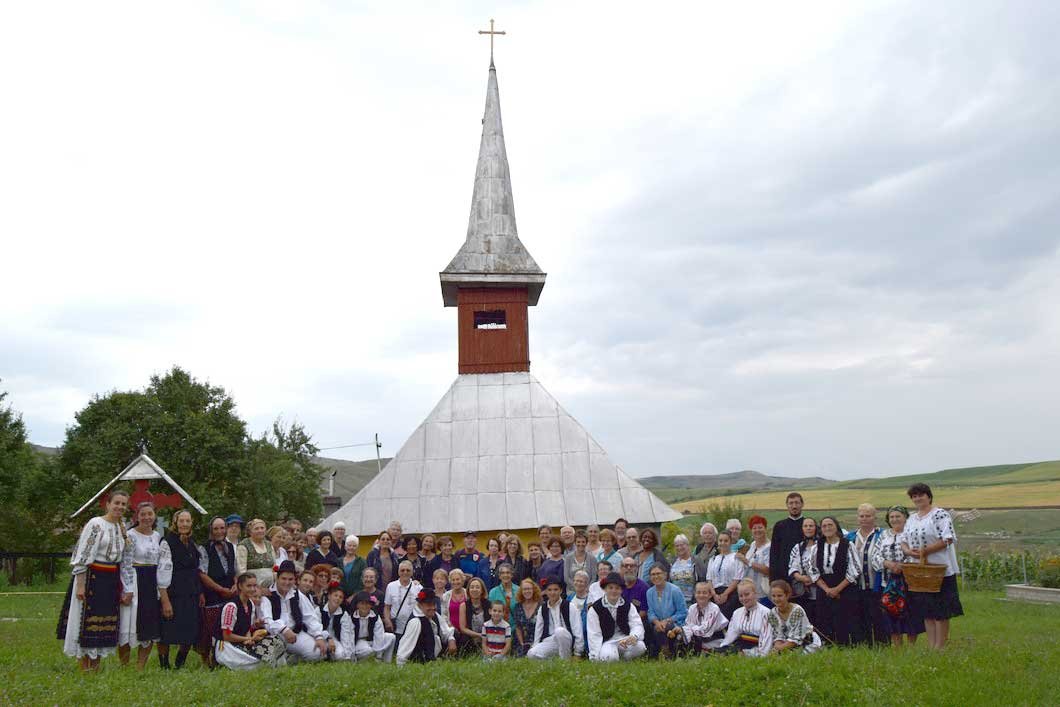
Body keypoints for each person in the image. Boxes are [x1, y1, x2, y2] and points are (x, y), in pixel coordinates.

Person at [58, 489, 129, 671]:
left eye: (123, 504)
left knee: (103, 624)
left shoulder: (121, 527)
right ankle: (85, 668)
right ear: (108, 504)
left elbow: (123, 559)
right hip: (92, 578)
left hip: (111, 580)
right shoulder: (96, 524)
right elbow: (83, 555)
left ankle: (95, 667)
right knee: (86, 623)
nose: (120, 507)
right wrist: (80, 585)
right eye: (117, 503)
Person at [902, 482, 963, 650]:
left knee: (941, 611)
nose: (918, 498)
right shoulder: (912, 518)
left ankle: (940, 646)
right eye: (914, 496)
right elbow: (903, 541)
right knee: (926, 611)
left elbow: (947, 538)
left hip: (939, 570)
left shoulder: (940, 514)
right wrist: (909, 552)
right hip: (919, 571)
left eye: (921, 495)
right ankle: (931, 646)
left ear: (928, 496)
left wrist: (925, 551)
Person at [118, 500, 161, 669]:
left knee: (149, 623)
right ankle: (124, 665)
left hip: (152, 581)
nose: (146, 517)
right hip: (135, 580)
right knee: (129, 623)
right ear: (137, 516)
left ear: (154, 515)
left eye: (150, 514)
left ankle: (140, 666)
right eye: (143, 514)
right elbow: (125, 562)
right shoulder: (130, 535)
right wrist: (127, 589)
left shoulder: (157, 536)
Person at [872, 505, 924, 646]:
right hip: (888, 581)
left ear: (905, 518)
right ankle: (897, 647)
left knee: (910, 615)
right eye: (892, 517)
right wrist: (887, 563)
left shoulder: (911, 533)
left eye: (898, 516)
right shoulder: (884, 535)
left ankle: (911, 648)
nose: (894, 519)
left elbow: (916, 553)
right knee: (891, 614)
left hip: (909, 581)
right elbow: (875, 555)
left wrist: (903, 566)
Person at [214, 573, 287, 670]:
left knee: (276, 640)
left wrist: (252, 633)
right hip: (228, 647)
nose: (252, 589)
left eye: (254, 586)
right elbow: (226, 635)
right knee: (262, 661)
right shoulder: (231, 607)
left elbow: (247, 628)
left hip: (242, 642)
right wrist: (248, 638)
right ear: (240, 586)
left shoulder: (250, 604)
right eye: (249, 586)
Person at [810, 516, 859, 646]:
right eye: (824, 526)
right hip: (824, 588)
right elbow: (813, 571)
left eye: (830, 525)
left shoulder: (848, 545)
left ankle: (846, 648)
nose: (827, 528)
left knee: (844, 620)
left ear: (836, 526)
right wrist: (827, 589)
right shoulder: (816, 547)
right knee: (825, 620)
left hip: (844, 588)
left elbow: (855, 570)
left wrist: (837, 589)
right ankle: (827, 646)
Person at [261, 561, 324, 663]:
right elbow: (266, 621)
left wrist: (318, 636)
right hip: (275, 635)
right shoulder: (268, 595)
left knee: (317, 652)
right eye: (284, 579)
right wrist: (283, 629)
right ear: (277, 578)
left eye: (290, 579)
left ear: (295, 580)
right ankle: (286, 656)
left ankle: (290, 657)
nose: (287, 582)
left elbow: (310, 617)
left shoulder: (297, 595)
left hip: (295, 634)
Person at [198, 515, 238, 668]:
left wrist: (235, 585)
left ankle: (222, 657)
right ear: (211, 530)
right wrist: (220, 589)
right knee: (209, 628)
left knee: (226, 626)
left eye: (222, 528)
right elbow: (202, 573)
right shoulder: (204, 548)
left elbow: (233, 570)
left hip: (229, 592)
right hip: (212, 593)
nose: (220, 531)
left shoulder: (230, 547)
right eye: (216, 528)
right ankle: (206, 660)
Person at [845, 503, 885, 645]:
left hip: (876, 584)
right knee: (860, 616)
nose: (864, 519)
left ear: (874, 517)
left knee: (878, 616)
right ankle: (864, 644)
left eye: (868, 516)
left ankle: (881, 644)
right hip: (856, 585)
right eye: (862, 516)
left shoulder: (882, 535)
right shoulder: (850, 537)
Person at [586, 572, 646, 662]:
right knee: (610, 658)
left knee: (641, 647)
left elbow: (637, 624)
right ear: (605, 589)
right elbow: (594, 634)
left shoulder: (628, 605)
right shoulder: (595, 608)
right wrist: (595, 657)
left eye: (617, 588)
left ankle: (625, 659)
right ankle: (612, 656)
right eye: (610, 588)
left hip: (624, 640)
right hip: (607, 642)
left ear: (621, 590)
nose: (614, 591)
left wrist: (634, 636)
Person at [395, 587, 457, 665]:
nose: (433, 608)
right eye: (429, 605)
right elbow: (405, 647)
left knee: (457, 634)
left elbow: (446, 631)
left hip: (433, 659)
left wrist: (451, 640)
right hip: (419, 663)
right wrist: (400, 666)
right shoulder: (415, 622)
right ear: (420, 605)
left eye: (434, 604)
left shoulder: (435, 615)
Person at [669, 581, 728, 656]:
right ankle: (675, 657)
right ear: (695, 594)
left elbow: (705, 630)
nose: (701, 595)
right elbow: (688, 624)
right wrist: (682, 629)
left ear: (710, 595)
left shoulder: (714, 609)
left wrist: (685, 629)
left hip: (714, 638)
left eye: (704, 593)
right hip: (698, 637)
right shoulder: (692, 608)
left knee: (685, 634)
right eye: (698, 592)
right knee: (675, 632)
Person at [718, 580, 772, 657]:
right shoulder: (737, 612)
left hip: (757, 647)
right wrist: (723, 648)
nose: (744, 598)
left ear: (755, 593)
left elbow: (767, 639)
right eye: (741, 596)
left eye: (747, 594)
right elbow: (731, 635)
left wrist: (762, 655)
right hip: (739, 646)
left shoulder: (766, 613)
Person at [645, 564, 687, 658]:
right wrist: (657, 622)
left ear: (665, 575)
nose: (656, 576)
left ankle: (667, 653)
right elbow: (650, 612)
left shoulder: (675, 590)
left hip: (675, 622)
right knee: (655, 627)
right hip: (658, 623)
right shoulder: (649, 592)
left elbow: (683, 612)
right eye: (653, 574)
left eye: (658, 573)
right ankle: (656, 653)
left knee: (664, 627)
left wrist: (667, 620)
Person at [767, 580, 821, 654]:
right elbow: (777, 636)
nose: (776, 599)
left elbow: (795, 640)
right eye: (773, 596)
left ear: (787, 595)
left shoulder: (797, 611)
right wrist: (777, 648)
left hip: (807, 643)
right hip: (786, 645)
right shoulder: (772, 613)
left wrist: (778, 649)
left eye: (779, 596)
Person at [528, 577, 574, 659]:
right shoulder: (543, 608)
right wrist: (535, 645)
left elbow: (577, 629)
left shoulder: (569, 605)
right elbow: (539, 629)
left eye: (555, 590)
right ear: (545, 591)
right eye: (549, 590)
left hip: (566, 639)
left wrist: (578, 652)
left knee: (559, 631)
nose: (552, 593)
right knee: (531, 654)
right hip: (550, 640)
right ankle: (551, 660)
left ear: (561, 591)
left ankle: (565, 660)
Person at [346, 591, 396, 662]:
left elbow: (379, 636)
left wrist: (378, 656)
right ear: (357, 605)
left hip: (372, 639)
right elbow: (350, 637)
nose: (365, 606)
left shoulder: (375, 617)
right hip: (359, 641)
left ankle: (386, 661)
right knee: (368, 651)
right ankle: (361, 660)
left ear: (371, 605)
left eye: (367, 604)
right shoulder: (352, 618)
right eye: (362, 604)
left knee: (391, 637)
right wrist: (351, 655)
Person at [788, 516, 819, 626]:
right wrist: (801, 578)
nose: (808, 528)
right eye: (805, 526)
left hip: (820, 588)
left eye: (811, 526)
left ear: (816, 528)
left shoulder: (822, 545)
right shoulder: (798, 547)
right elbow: (792, 566)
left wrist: (814, 579)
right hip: (803, 591)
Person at [707, 530, 745, 619]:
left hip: (731, 594)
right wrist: (714, 594)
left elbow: (737, 578)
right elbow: (709, 579)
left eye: (726, 541)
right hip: (715, 594)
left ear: (731, 542)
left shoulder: (736, 558)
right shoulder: (713, 559)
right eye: (720, 540)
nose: (723, 543)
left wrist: (725, 594)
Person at [770, 492, 806, 582]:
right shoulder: (779, 526)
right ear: (787, 505)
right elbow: (774, 553)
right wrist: (773, 579)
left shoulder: (808, 525)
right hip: (783, 576)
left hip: (805, 576)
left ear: (802, 504)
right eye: (791, 503)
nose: (794, 506)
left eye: (797, 503)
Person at [384, 560, 421, 642]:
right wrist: (387, 620)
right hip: (396, 628)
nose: (405, 572)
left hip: (412, 628)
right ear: (398, 572)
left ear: (412, 572)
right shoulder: (391, 586)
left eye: (408, 570)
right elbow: (387, 607)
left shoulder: (418, 588)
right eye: (402, 570)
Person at [739, 516, 771, 606]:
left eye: (760, 527)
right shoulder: (752, 545)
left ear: (765, 528)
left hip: (763, 593)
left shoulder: (770, 547)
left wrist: (747, 562)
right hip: (749, 593)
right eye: (754, 528)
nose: (757, 530)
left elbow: (768, 570)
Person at [235, 519, 276, 591]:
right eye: (256, 529)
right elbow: (241, 571)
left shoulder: (269, 544)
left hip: (270, 588)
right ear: (250, 532)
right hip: (252, 588)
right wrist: (256, 588)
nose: (260, 530)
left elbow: (274, 567)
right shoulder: (244, 545)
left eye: (262, 528)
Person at [668, 534, 707, 605]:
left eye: (682, 545)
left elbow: (703, 580)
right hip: (676, 602)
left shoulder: (696, 561)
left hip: (692, 601)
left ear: (687, 545)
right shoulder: (672, 562)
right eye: (677, 545)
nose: (679, 547)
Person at [319, 583, 354, 660]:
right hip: (320, 637)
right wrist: (328, 637)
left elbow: (345, 635)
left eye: (340, 597)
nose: (337, 598)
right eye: (335, 595)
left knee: (340, 655)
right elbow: (316, 628)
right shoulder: (319, 610)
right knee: (316, 654)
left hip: (335, 640)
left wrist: (347, 656)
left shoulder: (343, 614)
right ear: (329, 596)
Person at [459, 577, 491, 656]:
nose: (474, 589)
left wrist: (484, 635)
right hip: (471, 636)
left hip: (487, 635)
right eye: (472, 587)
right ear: (468, 590)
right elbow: (463, 628)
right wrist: (478, 635)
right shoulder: (463, 605)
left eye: (477, 587)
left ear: (482, 590)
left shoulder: (489, 604)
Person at [511, 578, 541, 657]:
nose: (527, 591)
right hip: (521, 641)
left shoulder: (541, 605)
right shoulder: (517, 607)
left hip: (537, 641)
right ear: (521, 591)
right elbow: (518, 627)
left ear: (534, 590)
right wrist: (522, 644)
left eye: (529, 589)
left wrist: (535, 644)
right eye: (524, 589)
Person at [619, 556, 649, 631]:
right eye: (626, 566)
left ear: (636, 568)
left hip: (638, 623)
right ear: (621, 569)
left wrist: (629, 622)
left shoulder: (644, 588)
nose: (629, 568)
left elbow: (644, 612)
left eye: (632, 566)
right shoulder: (617, 586)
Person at [568, 570, 593, 658]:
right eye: (576, 580)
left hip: (585, 632)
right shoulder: (570, 597)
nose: (578, 583)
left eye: (581, 581)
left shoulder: (591, 599)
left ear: (586, 584)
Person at [442, 569, 468, 649]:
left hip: (466, 629)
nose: (455, 582)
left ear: (462, 580)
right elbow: (444, 614)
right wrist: (449, 626)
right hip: (451, 629)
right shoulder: (446, 596)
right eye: (453, 580)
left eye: (458, 579)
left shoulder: (468, 594)